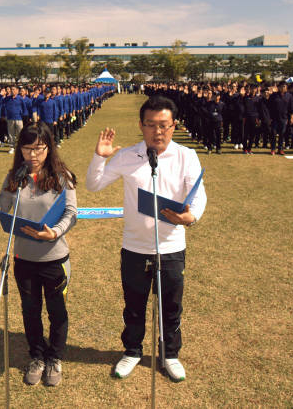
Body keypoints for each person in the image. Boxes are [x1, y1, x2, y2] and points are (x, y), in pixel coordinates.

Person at [86, 96, 207, 383]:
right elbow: (93, 185)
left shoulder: (186, 156)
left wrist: (192, 216)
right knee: (134, 305)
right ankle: (132, 350)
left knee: (171, 307)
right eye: (151, 125)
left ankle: (170, 354)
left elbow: (198, 194)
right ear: (141, 126)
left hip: (171, 247)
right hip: (135, 248)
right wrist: (100, 157)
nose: (157, 132)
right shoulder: (129, 156)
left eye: (164, 125)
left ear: (173, 126)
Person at [0, 122, 77, 387]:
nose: (33, 155)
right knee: (30, 311)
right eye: (27, 148)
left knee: (57, 312)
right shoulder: (16, 175)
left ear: (49, 147)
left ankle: (54, 357)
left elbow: (71, 213)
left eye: (39, 148)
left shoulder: (61, 176)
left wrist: (54, 233)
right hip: (24, 260)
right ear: (19, 149)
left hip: (55, 258)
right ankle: (37, 356)